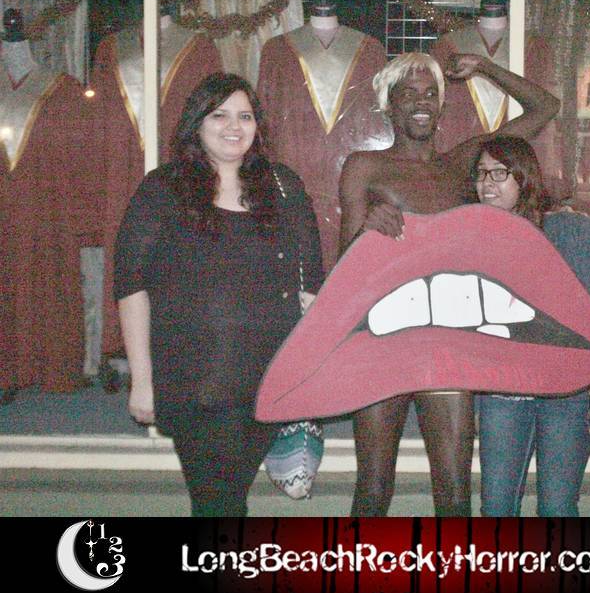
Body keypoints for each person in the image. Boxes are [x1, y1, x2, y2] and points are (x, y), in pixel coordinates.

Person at [338, 52, 560, 516]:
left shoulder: (462, 163)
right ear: (389, 104)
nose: (421, 102)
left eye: (431, 94)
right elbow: (343, 271)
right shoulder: (364, 166)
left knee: (456, 492)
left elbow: (545, 107)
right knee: (373, 489)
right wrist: (367, 231)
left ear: (441, 105)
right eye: (409, 93)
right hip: (381, 340)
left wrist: (484, 68)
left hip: (446, 344)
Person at [114, 73, 323, 516]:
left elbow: (310, 283)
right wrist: (142, 380)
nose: (234, 126)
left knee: (227, 501)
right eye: (219, 115)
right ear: (197, 123)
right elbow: (131, 287)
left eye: (245, 116)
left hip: (268, 379)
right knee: (218, 503)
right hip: (196, 383)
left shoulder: (282, 186)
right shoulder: (162, 189)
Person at [472, 135, 590, 516]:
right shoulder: (476, 237)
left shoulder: (570, 230)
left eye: (499, 173)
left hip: (569, 392)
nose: (487, 183)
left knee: (557, 506)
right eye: (481, 173)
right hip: (504, 392)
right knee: (496, 506)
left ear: (524, 177)